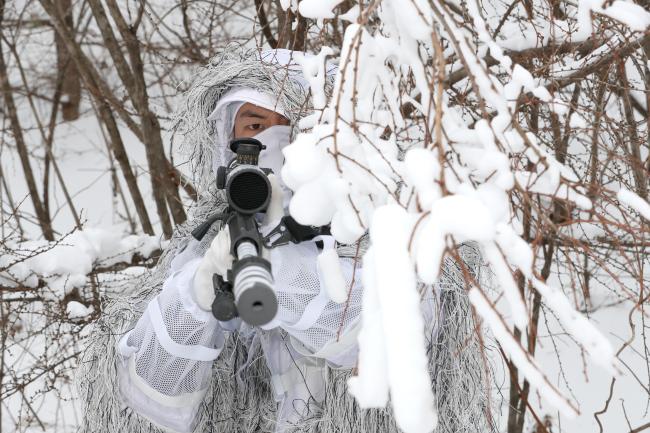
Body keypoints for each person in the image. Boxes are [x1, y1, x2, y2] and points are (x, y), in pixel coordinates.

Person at [77, 47, 493, 433]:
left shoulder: (387, 225)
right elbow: (150, 398)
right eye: (255, 126)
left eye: (292, 128)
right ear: (227, 141)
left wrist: (282, 269)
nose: (273, 143)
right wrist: (195, 296)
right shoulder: (203, 242)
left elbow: (386, 335)